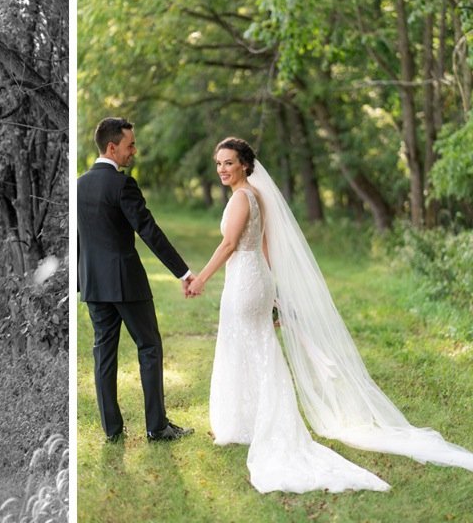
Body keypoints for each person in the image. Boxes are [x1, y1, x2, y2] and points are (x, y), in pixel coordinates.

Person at [187, 137, 473, 492]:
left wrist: (200, 278)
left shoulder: (242, 198)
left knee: (243, 345)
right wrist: (273, 287)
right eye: (218, 164)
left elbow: (229, 245)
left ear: (244, 164)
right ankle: (250, 418)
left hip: (245, 280)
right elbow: (262, 244)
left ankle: (250, 421)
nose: (222, 170)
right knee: (255, 345)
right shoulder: (255, 197)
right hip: (255, 277)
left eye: (228, 163)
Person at [78, 117, 196, 443]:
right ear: (112, 147)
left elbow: (78, 238)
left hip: (93, 284)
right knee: (149, 347)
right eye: (130, 145)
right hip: (126, 282)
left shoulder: (79, 184)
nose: (134, 151)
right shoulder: (122, 184)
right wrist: (183, 272)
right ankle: (157, 427)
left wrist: (80, 280)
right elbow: (149, 231)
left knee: (103, 354)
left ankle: (112, 431)